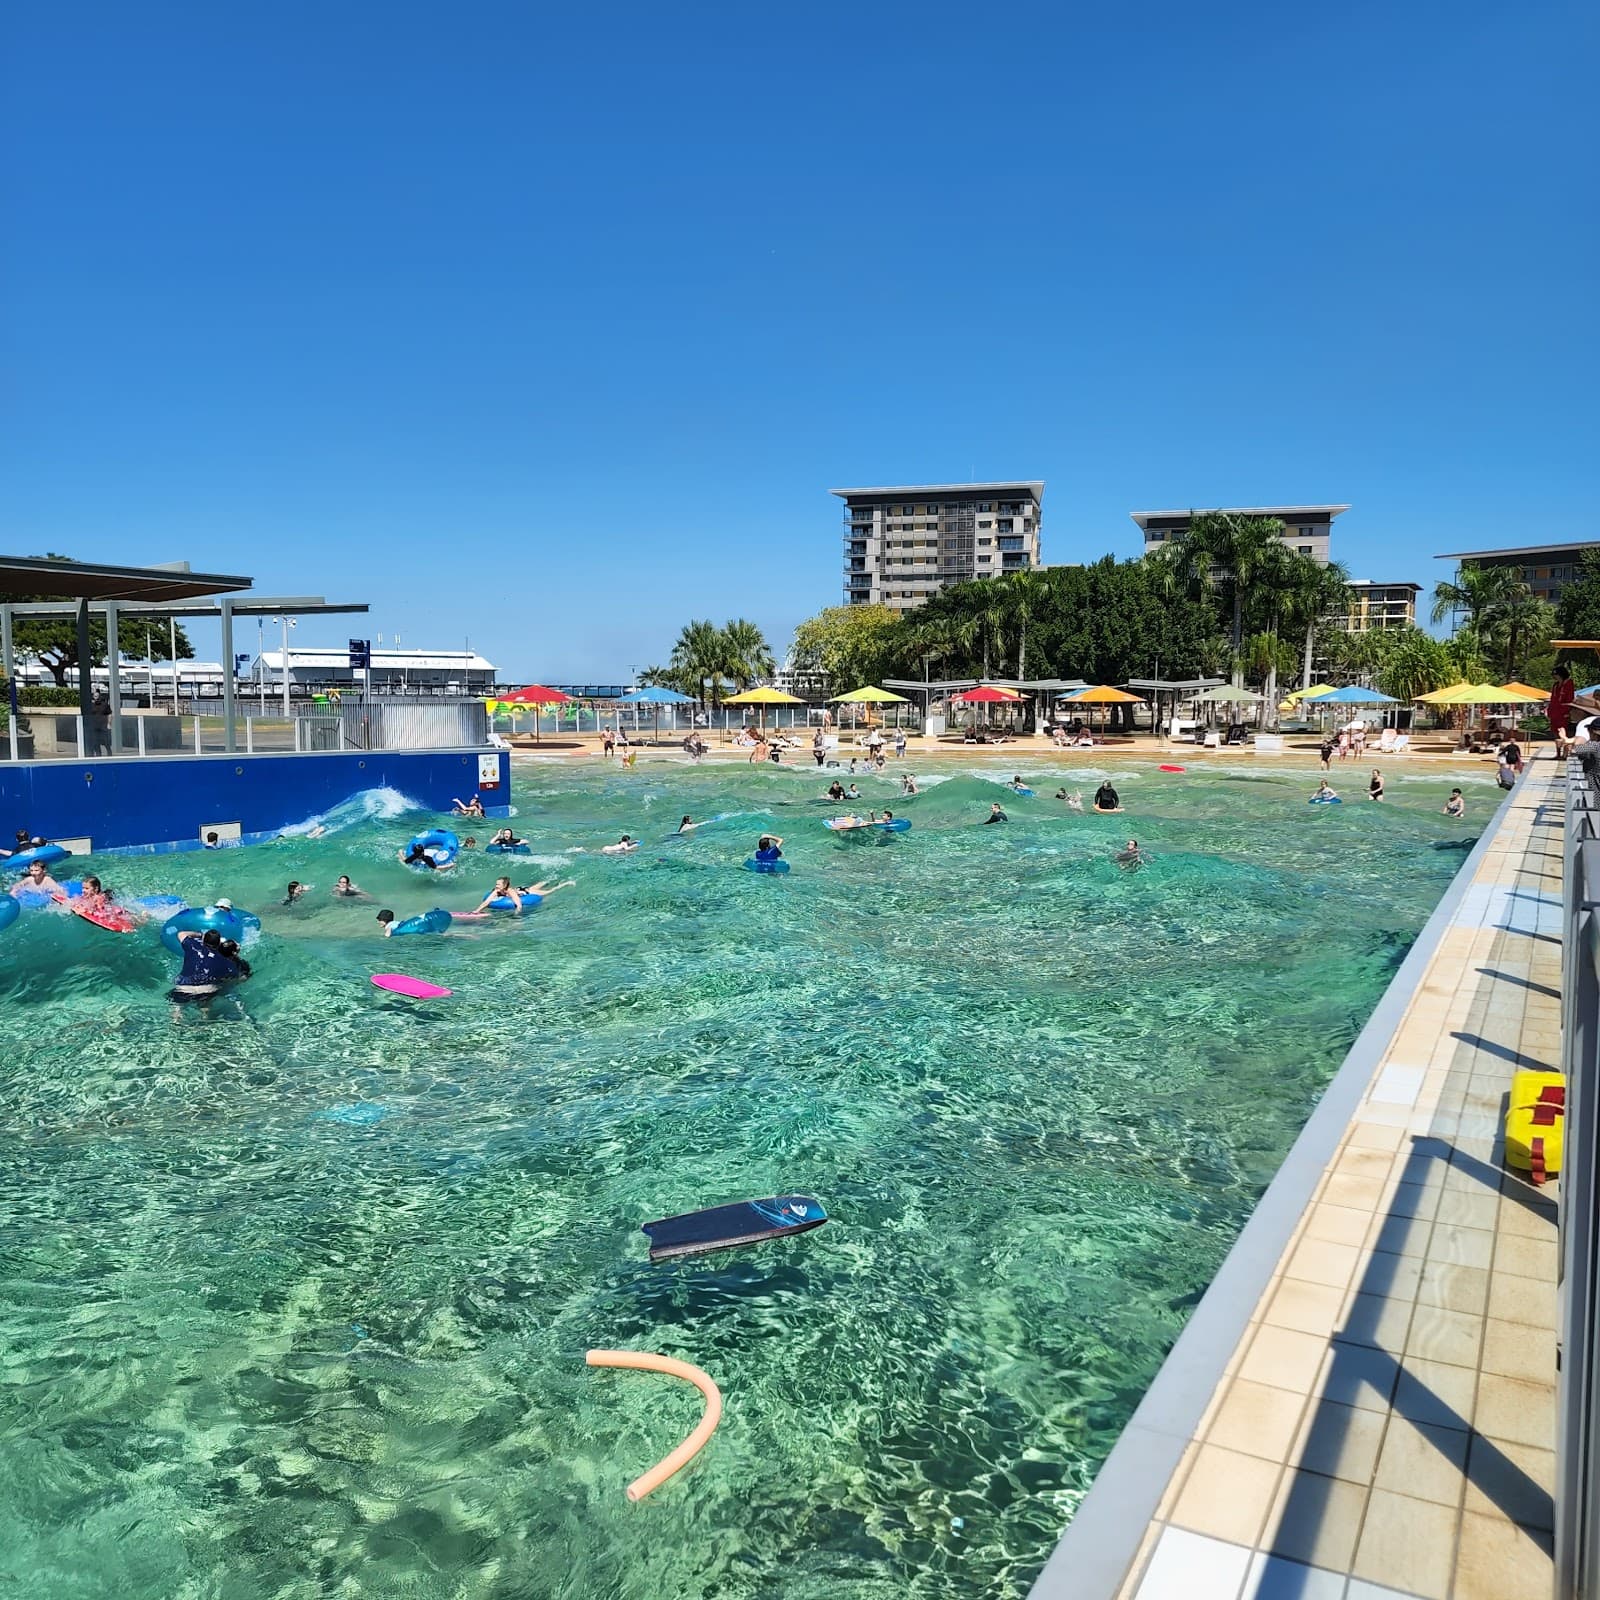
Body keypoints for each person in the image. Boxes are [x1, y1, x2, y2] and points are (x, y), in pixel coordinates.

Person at [171, 926, 250, 1001]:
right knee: (205, 1008)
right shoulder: (227, 963)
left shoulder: (193, 946)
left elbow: (181, 934)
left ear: (203, 940)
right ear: (218, 943)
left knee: (177, 1009)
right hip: (207, 990)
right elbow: (241, 978)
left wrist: (200, 935)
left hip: (184, 987)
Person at [1550, 667, 1576, 756]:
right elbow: (1552, 699)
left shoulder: (1569, 683)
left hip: (1563, 712)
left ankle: (1565, 754)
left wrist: (1567, 711)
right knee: (1555, 733)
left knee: (1565, 734)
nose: (1555, 677)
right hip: (1554, 713)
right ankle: (1558, 753)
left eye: (1556, 675)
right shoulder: (1555, 685)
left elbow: (1570, 698)